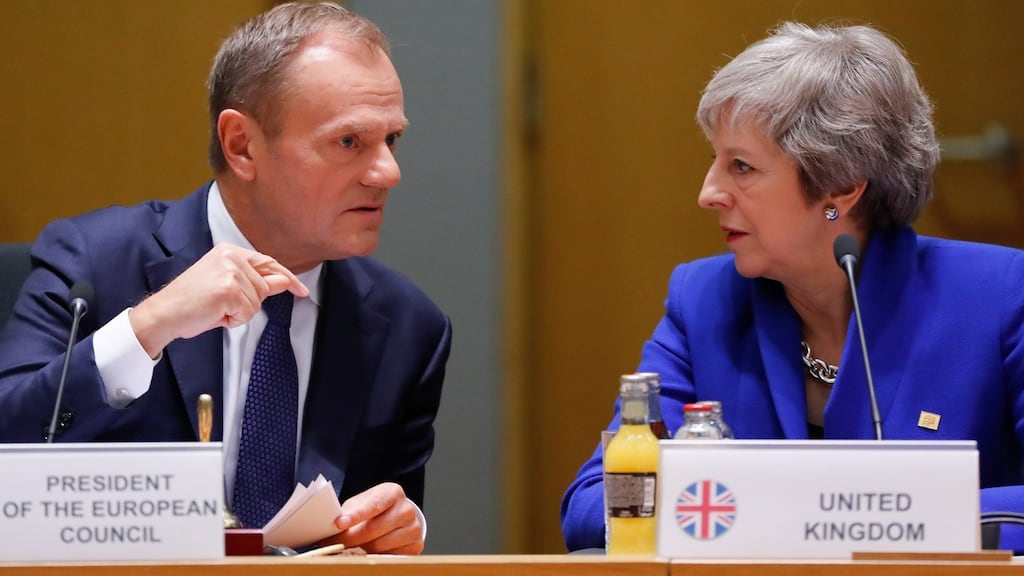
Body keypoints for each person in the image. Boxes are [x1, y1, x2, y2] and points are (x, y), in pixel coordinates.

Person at [0, 2, 451, 556]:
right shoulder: (95, 263)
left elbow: (380, 520)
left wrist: (401, 527)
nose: (388, 172)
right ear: (242, 145)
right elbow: (10, 443)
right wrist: (148, 326)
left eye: (392, 140)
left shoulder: (408, 328)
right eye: (349, 142)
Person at [561, 21, 1024, 552]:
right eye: (714, 160)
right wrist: (818, 513)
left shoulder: (1000, 297)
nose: (708, 192)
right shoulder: (703, 301)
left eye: (741, 165)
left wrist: (844, 515)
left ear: (841, 186)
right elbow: (597, 503)